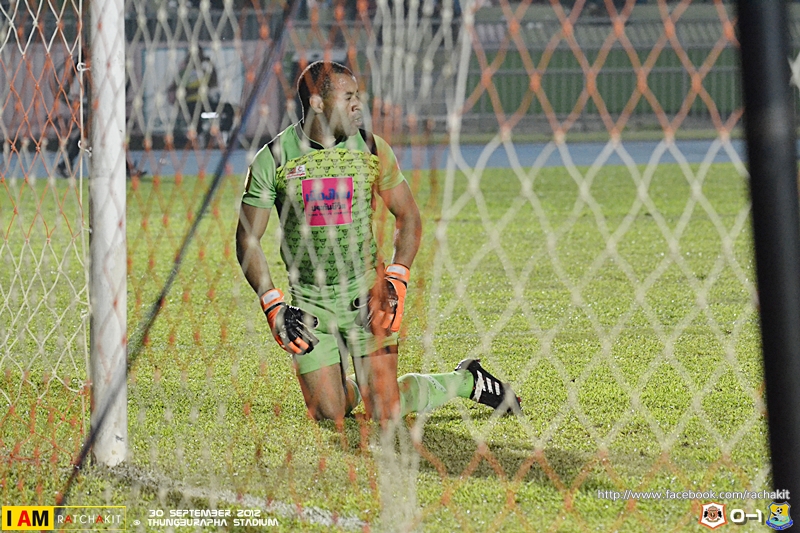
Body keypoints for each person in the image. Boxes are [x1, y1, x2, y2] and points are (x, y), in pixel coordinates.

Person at [236, 60, 520, 426]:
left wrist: (397, 278)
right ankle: (351, 389)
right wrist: (273, 305)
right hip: (310, 302)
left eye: (358, 96)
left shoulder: (371, 148)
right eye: (348, 97)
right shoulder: (273, 158)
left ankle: (466, 379)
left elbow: (408, 216)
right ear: (317, 103)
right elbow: (248, 237)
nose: (358, 105)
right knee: (328, 412)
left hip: (368, 295)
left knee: (385, 410)